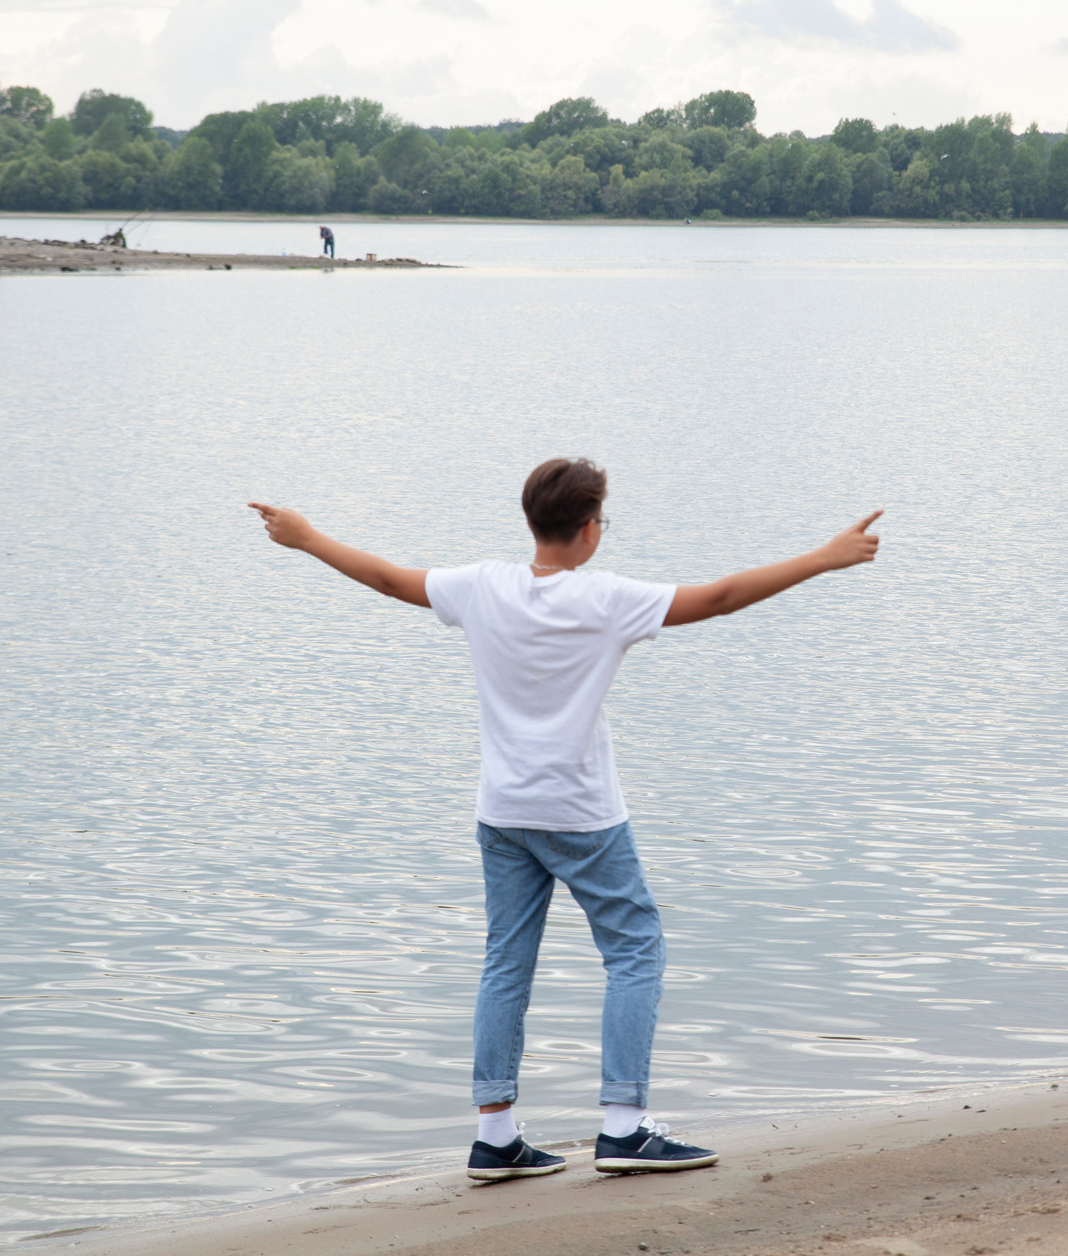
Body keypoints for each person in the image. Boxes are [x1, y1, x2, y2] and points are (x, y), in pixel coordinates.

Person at [249, 460, 881, 1180]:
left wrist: (307, 537)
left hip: (503, 811)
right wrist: (823, 559)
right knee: (635, 947)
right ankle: (623, 1125)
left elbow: (390, 579)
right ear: (588, 529)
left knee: (505, 960)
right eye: (602, 522)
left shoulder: (482, 585)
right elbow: (723, 598)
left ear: (531, 522)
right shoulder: (606, 599)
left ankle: (496, 1134)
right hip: (582, 813)